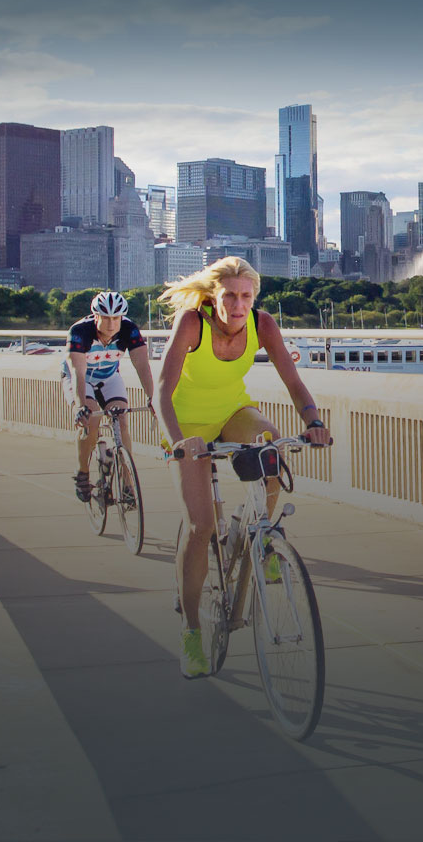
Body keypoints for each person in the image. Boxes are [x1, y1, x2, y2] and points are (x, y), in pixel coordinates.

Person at [155, 256, 331, 678]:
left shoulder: (262, 324)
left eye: (246, 296)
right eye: (230, 295)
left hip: (232, 412)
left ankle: (258, 532)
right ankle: (191, 631)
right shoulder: (192, 324)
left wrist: (314, 422)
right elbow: (162, 388)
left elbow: (293, 380)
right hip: (188, 427)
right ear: (214, 295)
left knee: (271, 443)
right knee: (200, 528)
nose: (238, 305)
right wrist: (179, 440)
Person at [62, 291, 157, 504]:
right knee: (91, 418)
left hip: (108, 376)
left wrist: (153, 398)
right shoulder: (79, 331)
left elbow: (142, 364)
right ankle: (83, 473)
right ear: (95, 315)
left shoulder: (129, 329)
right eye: (105, 318)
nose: (111, 323)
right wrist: (80, 406)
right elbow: (77, 371)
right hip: (81, 378)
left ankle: (127, 483)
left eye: (116, 318)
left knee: (122, 419)